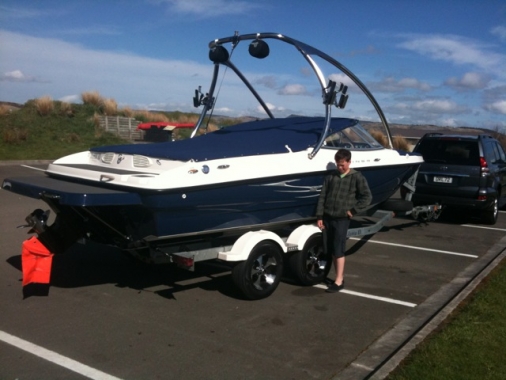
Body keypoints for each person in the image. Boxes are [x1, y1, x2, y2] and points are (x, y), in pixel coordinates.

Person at [316, 149, 372, 293]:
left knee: (338, 249)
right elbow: (323, 197)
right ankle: (336, 276)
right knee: (329, 249)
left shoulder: (356, 177)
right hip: (328, 217)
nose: (340, 168)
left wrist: (353, 210)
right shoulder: (331, 177)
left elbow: (367, 197)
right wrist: (320, 216)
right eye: (338, 165)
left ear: (349, 162)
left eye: (342, 165)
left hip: (342, 219)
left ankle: (339, 280)